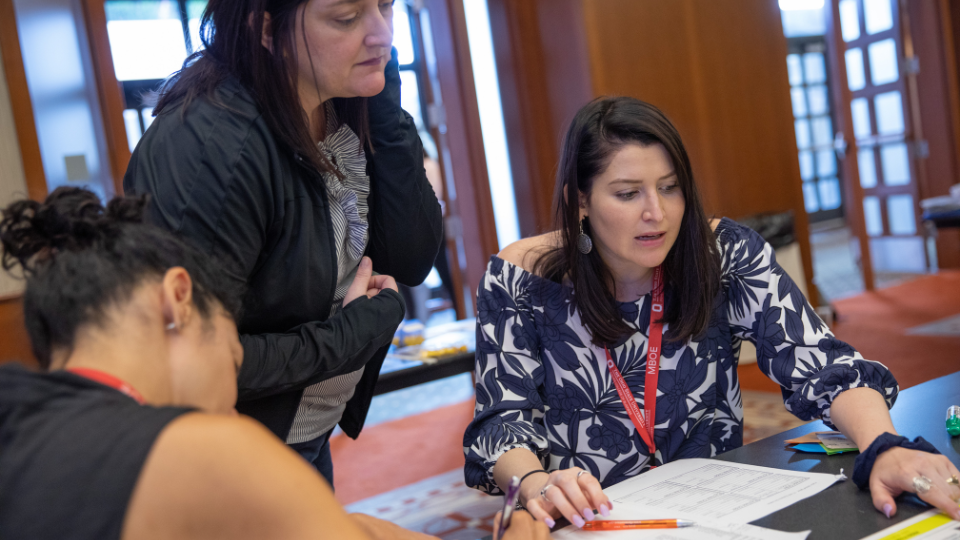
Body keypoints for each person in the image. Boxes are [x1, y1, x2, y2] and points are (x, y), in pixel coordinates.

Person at [463, 96, 960, 529]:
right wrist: (535, 481)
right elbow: (501, 421)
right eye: (627, 193)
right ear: (581, 202)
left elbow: (820, 362)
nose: (656, 213)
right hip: (592, 520)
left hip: (718, 517)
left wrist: (883, 447)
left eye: (671, 186)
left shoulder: (723, 255)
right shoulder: (524, 281)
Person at [0, 187, 545, 540]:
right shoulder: (196, 451)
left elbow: (337, 529)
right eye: (231, 354)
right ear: (178, 299)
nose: (229, 397)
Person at [123, 0, 443, 485]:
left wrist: (385, 106)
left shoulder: (343, 93)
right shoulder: (213, 148)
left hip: (301, 434)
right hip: (221, 461)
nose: (382, 35)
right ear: (267, 29)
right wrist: (352, 337)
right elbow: (186, 362)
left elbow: (411, 258)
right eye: (346, 17)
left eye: (386, 5)